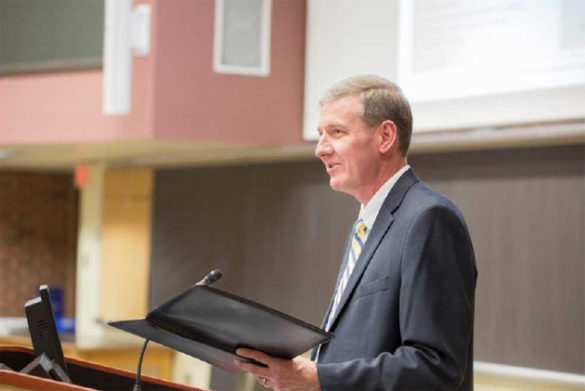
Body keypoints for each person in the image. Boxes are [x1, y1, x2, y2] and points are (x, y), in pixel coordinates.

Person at [236, 75, 477, 390]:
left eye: (337, 132)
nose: (321, 149)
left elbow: (436, 367)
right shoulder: (366, 226)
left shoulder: (428, 219)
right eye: (321, 134)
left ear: (385, 137)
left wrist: (317, 378)